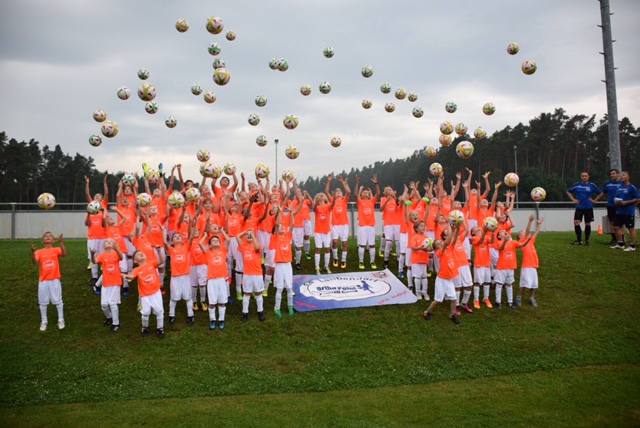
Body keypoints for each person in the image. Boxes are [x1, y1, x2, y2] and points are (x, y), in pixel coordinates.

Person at [123, 249, 166, 339]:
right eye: (138, 254)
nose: (141, 254)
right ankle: (145, 327)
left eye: (142, 253)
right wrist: (126, 276)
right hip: (144, 294)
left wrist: (159, 252)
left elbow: (162, 261)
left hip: (155, 292)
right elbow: (132, 276)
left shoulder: (152, 263)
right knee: (145, 312)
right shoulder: (136, 269)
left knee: (159, 311)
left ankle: (160, 328)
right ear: (135, 261)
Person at [422, 223, 461, 324]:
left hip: (448, 279)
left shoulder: (449, 249)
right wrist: (452, 231)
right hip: (442, 279)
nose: (441, 244)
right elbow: (447, 242)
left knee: (454, 298)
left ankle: (452, 315)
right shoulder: (439, 252)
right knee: (438, 299)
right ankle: (427, 312)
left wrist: (457, 229)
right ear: (435, 249)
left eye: (440, 242)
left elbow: (454, 240)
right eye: (438, 244)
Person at [31, 232, 67, 331]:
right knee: (43, 301)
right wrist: (33, 252)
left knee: (58, 300)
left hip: (55, 279)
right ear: (42, 241)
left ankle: (61, 319)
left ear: (53, 241)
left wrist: (61, 242)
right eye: (46, 236)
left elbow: (64, 253)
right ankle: (44, 321)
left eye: (50, 236)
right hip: (43, 280)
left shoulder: (56, 250)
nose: (48, 237)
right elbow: (34, 262)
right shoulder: (39, 252)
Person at [200, 224, 231, 330]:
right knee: (212, 302)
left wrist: (221, 232)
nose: (215, 241)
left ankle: (221, 319)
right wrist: (205, 236)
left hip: (222, 279)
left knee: (222, 301)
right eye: (213, 241)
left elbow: (228, 240)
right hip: (212, 280)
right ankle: (212, 319)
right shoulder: (208, 253)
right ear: (210, 245)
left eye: (217, 240)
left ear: (220, 243)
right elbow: (200, 243)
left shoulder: (223, 251)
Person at [90, 238, 124, 333]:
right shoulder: (102, 255)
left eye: (111, 242)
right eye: (107, 242)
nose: (109, 243)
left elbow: (121, 257)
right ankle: (109, 317)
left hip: (115, 282)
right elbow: (94, 262)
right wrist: (92, 255)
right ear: (104, 246)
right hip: (105, 283)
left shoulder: (116, 253)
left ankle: (116, 323)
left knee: (112, 303)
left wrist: (117, 249)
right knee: (104, 305)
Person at [493, 229, 532, 309]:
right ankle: (498, 302)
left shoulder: (513, 242)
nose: (505, 232)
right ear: (499, 237)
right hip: (502, 267)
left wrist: (528, 239)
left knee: (509, 284)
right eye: (502, 232)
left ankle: (510, 302)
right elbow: (501, 248)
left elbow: (522, 245)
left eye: (506, 232)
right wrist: (505, 241)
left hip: (511, 267)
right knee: (499, 284)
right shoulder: (499, 242)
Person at [163, 230, 195, 326]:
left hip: (185, 276)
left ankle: (190, 315)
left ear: (183, 240)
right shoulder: (171, 250)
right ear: (172, 241)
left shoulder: (186, 247)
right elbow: (164, 242)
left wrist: (194, 226)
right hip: (175, 277)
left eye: (179, 236)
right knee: (173, 297)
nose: (177, 237)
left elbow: (191, 237)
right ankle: (171, 315)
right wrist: (162, 230)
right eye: (175, 236)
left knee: (188, 297)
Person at [236, 229, 266, 322]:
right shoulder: (243, 246)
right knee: (247, 293)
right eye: (247, 235)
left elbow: (257, 248)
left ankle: (260, 311)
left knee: (258, 292)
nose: (249, 236)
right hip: (247, 274)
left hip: (257, 274)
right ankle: (245, 313)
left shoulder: (258, 245)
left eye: (251, 235)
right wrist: (246, 231)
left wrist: (253, 236)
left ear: (255, 237)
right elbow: (237, 237)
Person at [271, 206, 296, 317]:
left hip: (288, 265)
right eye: (280, 227)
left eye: (282, 226)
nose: (281, 227)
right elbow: (277, 224)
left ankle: (290, 306)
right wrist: (280, 212)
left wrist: (291, 213)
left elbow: (293, 224)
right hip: (279, 266)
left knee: (289, 287)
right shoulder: (275, 238)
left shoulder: (288, 236)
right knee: (280, 288)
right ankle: (277, 308)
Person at [566, 172, 603, 246]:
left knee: (587, 223)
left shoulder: (591, 185)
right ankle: (579, 240)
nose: (584, 177)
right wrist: (573, 199)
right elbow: (568, 192)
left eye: (585, 176)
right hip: (579, 207)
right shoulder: (577, 185)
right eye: (583, 176)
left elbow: (600, 193)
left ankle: (587, 240)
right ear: (581, 177)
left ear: (588, 177)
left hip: (588, 207)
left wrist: (594, 201)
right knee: (576, 222)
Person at [516, 215, 544, 307]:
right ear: (520, 236)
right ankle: (519, 297)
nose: (525, 233)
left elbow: (537, 233)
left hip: (533, 265)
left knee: (533, 284)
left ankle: (531, 298)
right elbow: (528, 231)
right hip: (526, 265)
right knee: (524, 283)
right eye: (523, 233)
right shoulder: (522, 241)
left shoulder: (530, 240)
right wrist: (530, 221)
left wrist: (539, 224)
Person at [355, 174, 380, 269]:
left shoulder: (372, 201)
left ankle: (372, 261)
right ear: (361, 195)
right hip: (362, 226)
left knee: (372, 245)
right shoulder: (360, 202)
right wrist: (357, 184)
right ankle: (361, 262)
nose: (365, 193)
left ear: (369, 195)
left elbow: (378, 194)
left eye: (367, 192)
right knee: (362, 245)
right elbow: (355, 194)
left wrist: (376, 184)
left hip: (371, 226)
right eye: (363, 192)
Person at [325, 174, 351, 269]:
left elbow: (348, 192)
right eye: (336, 192)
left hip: (344, 224)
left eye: (340, 192)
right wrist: (329, 181)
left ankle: (343, 260)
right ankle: (335, 258)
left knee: (344, 242)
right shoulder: (332, 200)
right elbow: (326, 192)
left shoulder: (344, 201)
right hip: (335, 224)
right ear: (334, 195)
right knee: (335, 241)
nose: (338, 193)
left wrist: (342, 182)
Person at [611, 171, 640, 251]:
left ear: (628, 177)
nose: (622, 177)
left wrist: (626, 202)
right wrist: (617, 202)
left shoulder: (632, 187)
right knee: (615, 227)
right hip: (619, 211)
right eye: (621, 175)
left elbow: (637, 199)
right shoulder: (619, 188)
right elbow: (616, 197)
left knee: (630, 228)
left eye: (624, 175)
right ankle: (620, 243)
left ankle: (632, 246)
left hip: (628, 211)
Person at [312, 191, 333, 275]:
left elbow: (333, 205)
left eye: (323, 196)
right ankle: (317, 267)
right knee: (318, 249)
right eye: (319, 196)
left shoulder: (328, 206)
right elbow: (314, 208)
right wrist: (317, 200)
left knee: (327, 248)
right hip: (318, 231)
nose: (321, 197)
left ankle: (326, 266)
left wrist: (334, 197)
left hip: (327, 231)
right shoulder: (317, 207)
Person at [601, 169, 623, 245]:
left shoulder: (622, 183)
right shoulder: (607, 183)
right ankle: (614, 238)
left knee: (620, 223)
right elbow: (604, 193)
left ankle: (621, 238)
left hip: (620, 206)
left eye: (613, 174)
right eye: (611, 174)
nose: (612, 175)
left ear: (618, 174)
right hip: (610, 205)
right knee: (612, 222)